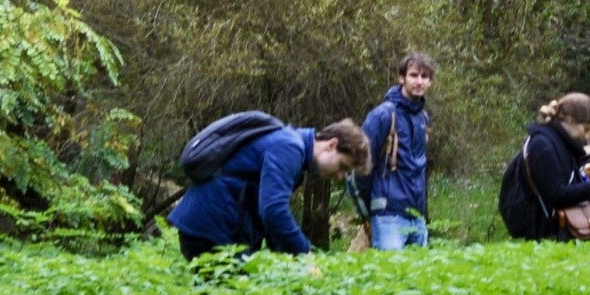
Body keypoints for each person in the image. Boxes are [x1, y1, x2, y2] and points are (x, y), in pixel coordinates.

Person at [170, 118, 371, 260]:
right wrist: (306, 255)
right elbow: (273, 210)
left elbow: (267, 216)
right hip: (212, 229)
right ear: (331, 145)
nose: (339, 176)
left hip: (213, 229)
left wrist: (288, 259)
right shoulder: (289, 148)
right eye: (343, 166)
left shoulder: (294, 151)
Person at [347, 51, 434, 250]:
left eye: (424, 76)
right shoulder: (383, 115)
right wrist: (369, 212)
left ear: (430, 82)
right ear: (401, 78)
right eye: (413, 75)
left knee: (419, 279)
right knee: (391, 278)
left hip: (418, 218)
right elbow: (359, 168)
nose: (419, 81)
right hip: (388, 219)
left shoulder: (423, 119)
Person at [500, 93, 590, 241]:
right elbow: (556, 195)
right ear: (569, 120)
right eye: (585, 129)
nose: (587, 136)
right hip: (543, 232)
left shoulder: (560, 141)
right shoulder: (543, 145)